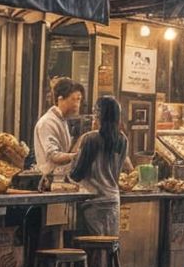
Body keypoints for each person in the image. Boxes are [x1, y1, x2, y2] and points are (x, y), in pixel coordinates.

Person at [68, 95, 126, 238]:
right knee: (109, 248)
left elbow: (76, 174)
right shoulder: (123, 140)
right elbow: (117, 173)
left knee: (92, 252)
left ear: (98, 114)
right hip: (113, 201)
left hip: (92, 203)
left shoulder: (90, 139)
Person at [34, 78, 84, 182]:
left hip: (61, 180)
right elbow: (53, 155)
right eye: (74, 99)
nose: (77, 105)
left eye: (79, 100)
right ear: (60, 99)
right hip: (49, 182)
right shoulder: (48, 122)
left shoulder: (62, 120)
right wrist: (77, 156)